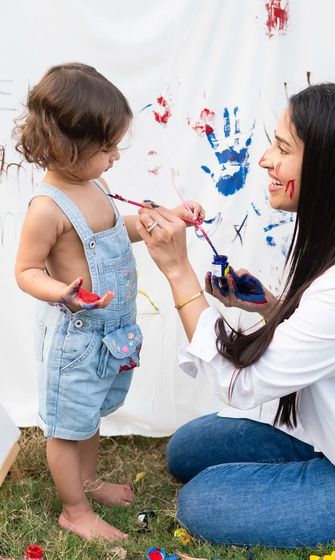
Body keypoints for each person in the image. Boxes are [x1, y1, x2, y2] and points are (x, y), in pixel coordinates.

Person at [136, 83, 335, 559]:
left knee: (201, 501)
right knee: (185, 450)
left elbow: (243, 385)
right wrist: (271, 306)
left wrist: (177, 272)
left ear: (333, 166)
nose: (265, 160)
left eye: (283, 148)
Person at [14, 63, 203, 542]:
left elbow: (123, 230)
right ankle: (73, 511)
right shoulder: (47, 208)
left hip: (110, 335)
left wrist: (169, 216)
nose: (116, 156)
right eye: (108, 147)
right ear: (70, 148)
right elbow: (25, 271)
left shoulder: (94, 185)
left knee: (91, 412)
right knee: (66, 427)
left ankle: (89, 480)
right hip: (76, 339)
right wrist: (60, 292)